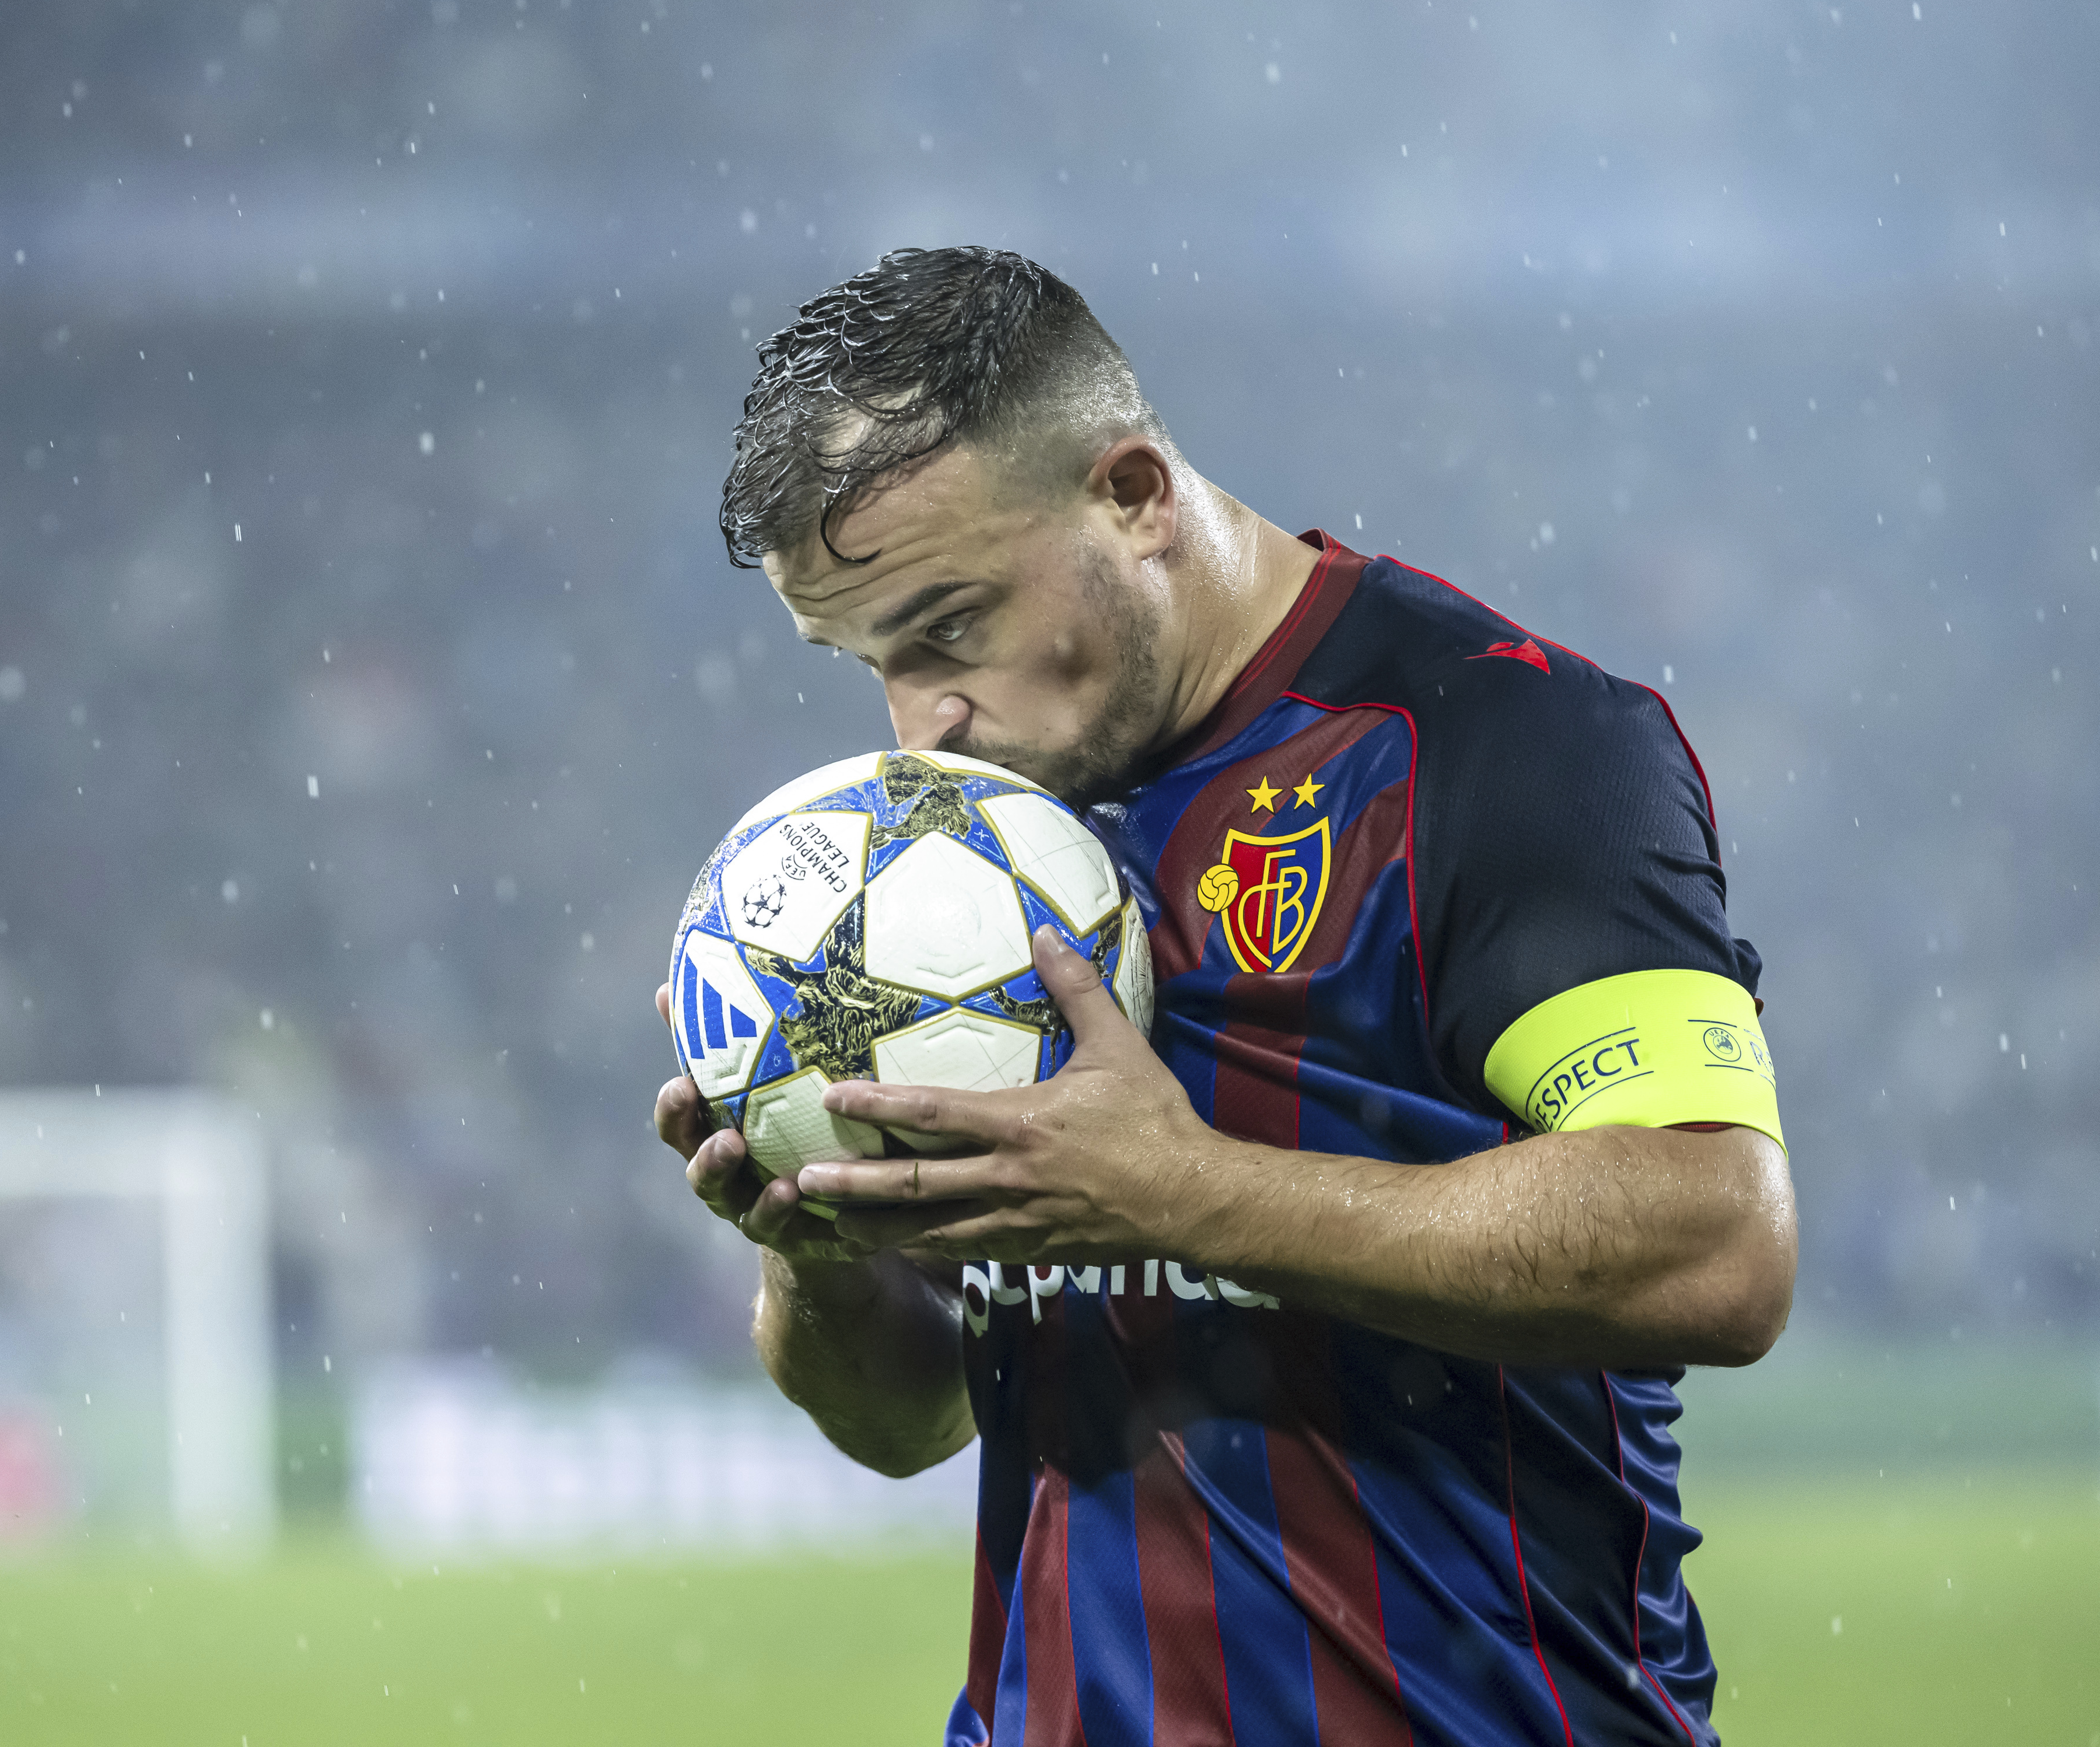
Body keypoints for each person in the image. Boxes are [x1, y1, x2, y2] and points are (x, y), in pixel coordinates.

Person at [652, 247, 1793, 1747]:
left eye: (949, 626)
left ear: (1133, 493)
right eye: (864, 659)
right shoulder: (960, 861)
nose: (921, 721)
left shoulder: (1497, 743)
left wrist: (1184, 1196)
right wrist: (821, 1260)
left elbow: (1717, 1244)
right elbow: (912, 1419)